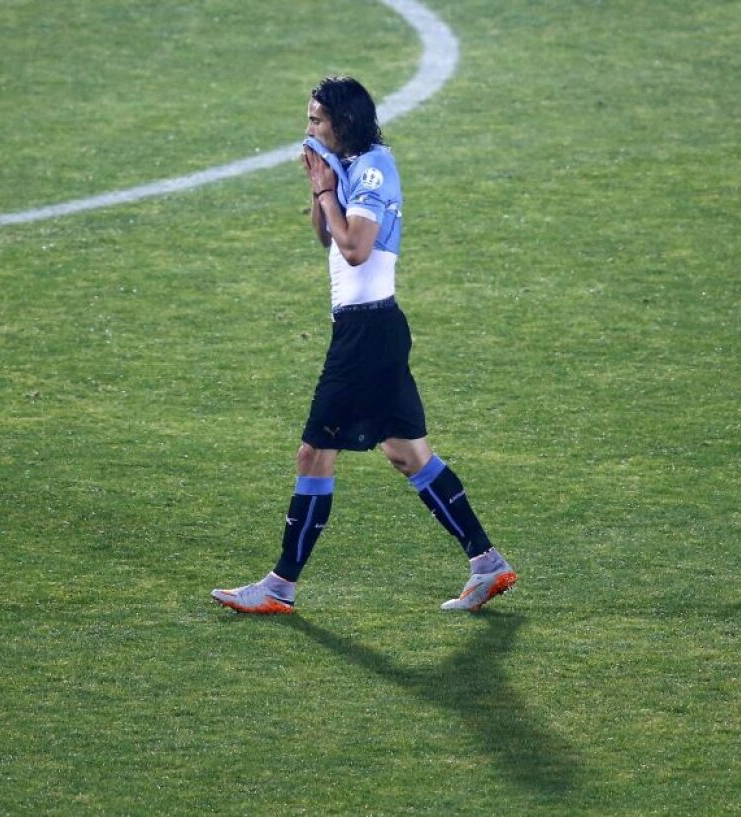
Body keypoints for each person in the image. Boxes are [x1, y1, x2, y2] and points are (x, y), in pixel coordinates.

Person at [211, 76, 516, 614]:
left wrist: (328, 192)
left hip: (366, 335)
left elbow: (355, 249)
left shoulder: (373, 169)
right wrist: (319, 188)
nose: (308, 128)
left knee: (314, 453)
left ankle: (280, 586)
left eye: (316, 120)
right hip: (374, 330)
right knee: (406, 453)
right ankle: (486, 562)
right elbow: (326, 237)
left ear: (343, 122)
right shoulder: (350, 166)